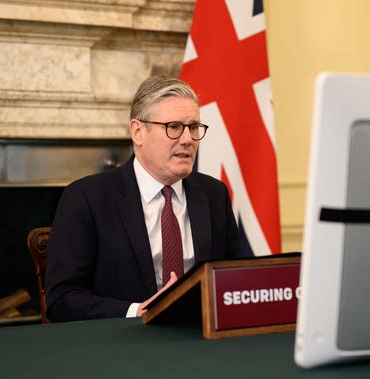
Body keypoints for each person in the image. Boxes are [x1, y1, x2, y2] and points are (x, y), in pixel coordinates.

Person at [45, 75, 241, 321]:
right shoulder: (86, 198)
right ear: (138, 132)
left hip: (201, 340)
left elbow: (236, 279)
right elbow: (62, 299)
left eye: (193, 127)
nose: (188, 139)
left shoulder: (213, 195)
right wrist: (136, 312)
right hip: (122, 345)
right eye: (174, 127)